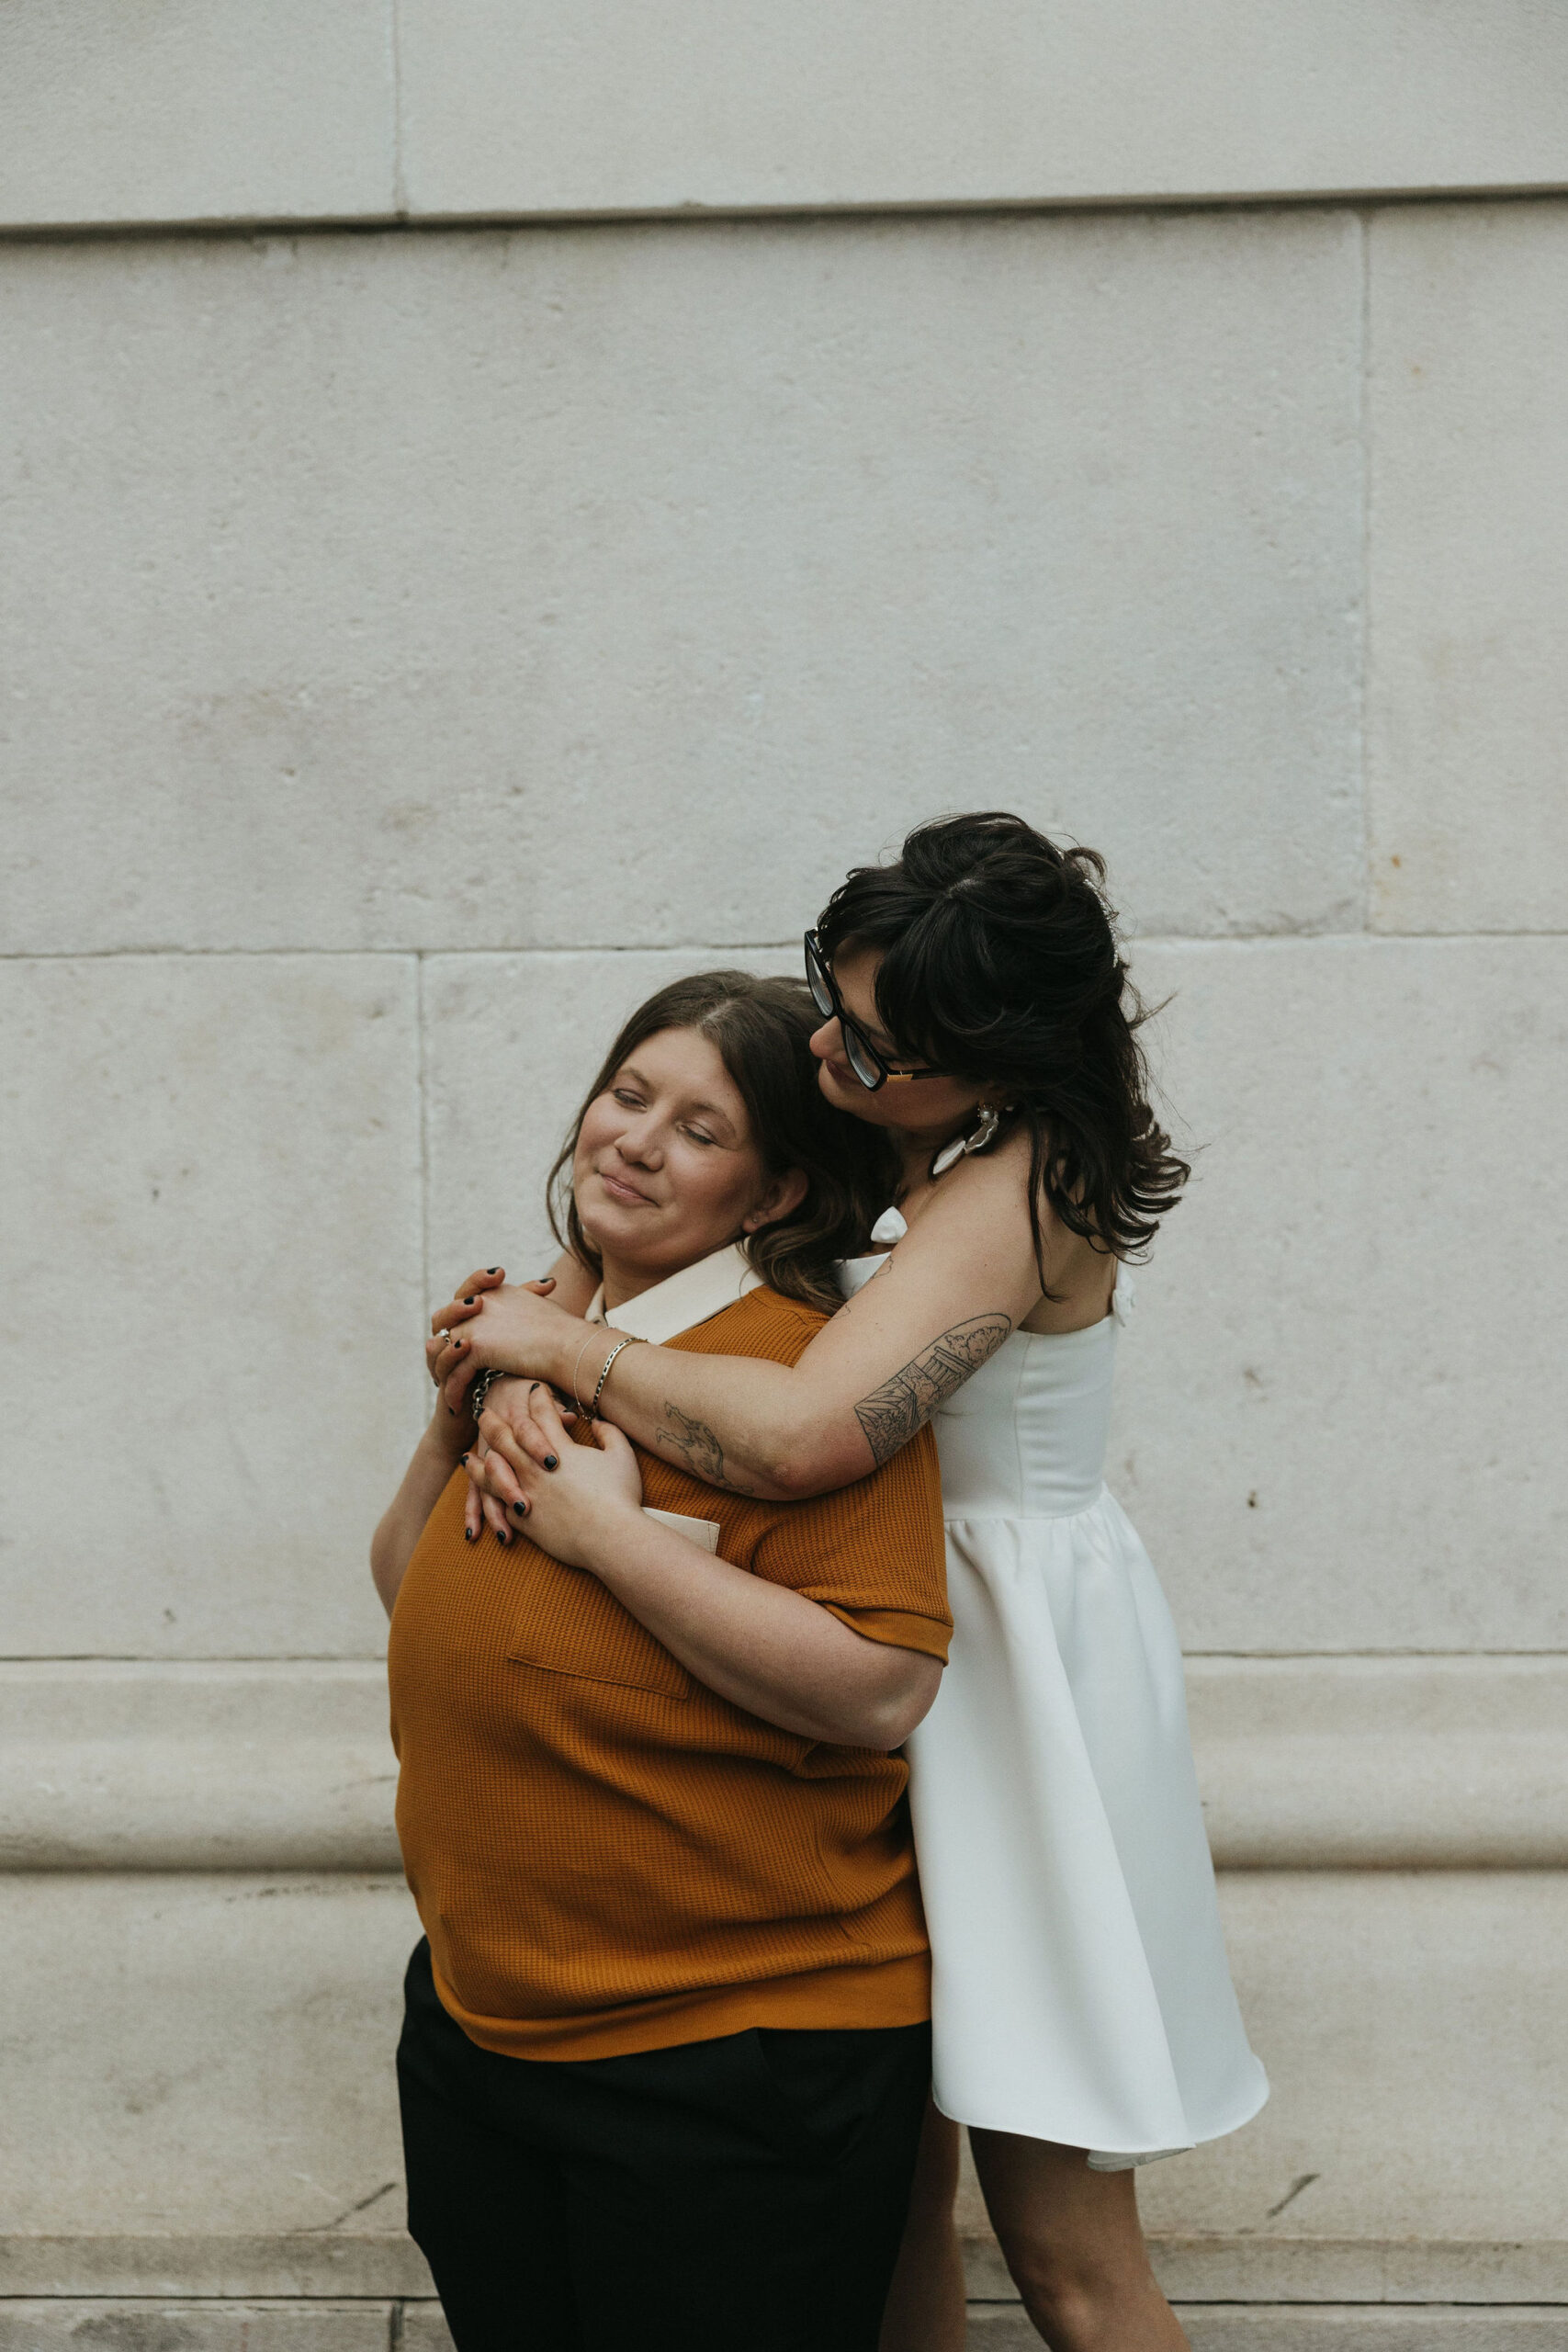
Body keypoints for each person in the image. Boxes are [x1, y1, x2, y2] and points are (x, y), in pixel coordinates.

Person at [438, 813, 1269, 2352]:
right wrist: (523, 1362)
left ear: (1002, 1062)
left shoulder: (1021, 1182)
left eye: (879, 1047)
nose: (832, 1048)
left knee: (1061, 2238)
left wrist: (556, 1353)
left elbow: (811, 1433)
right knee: (883, 2205)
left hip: (1006, 1689)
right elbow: (684, 1297)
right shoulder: (920, 1131)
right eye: (840, 1001)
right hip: (846, 1637)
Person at [372, 970, 953, 2352]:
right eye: (628, 1094)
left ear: (771, 1198)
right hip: (483, 2027)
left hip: (726, 2057)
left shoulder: (793, 1381)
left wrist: (610, 1542)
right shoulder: (545, 1343)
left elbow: (879, 1686)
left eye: (700, 1129)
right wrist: (459, 1416)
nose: (633, 1140)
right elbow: (414, 1588)